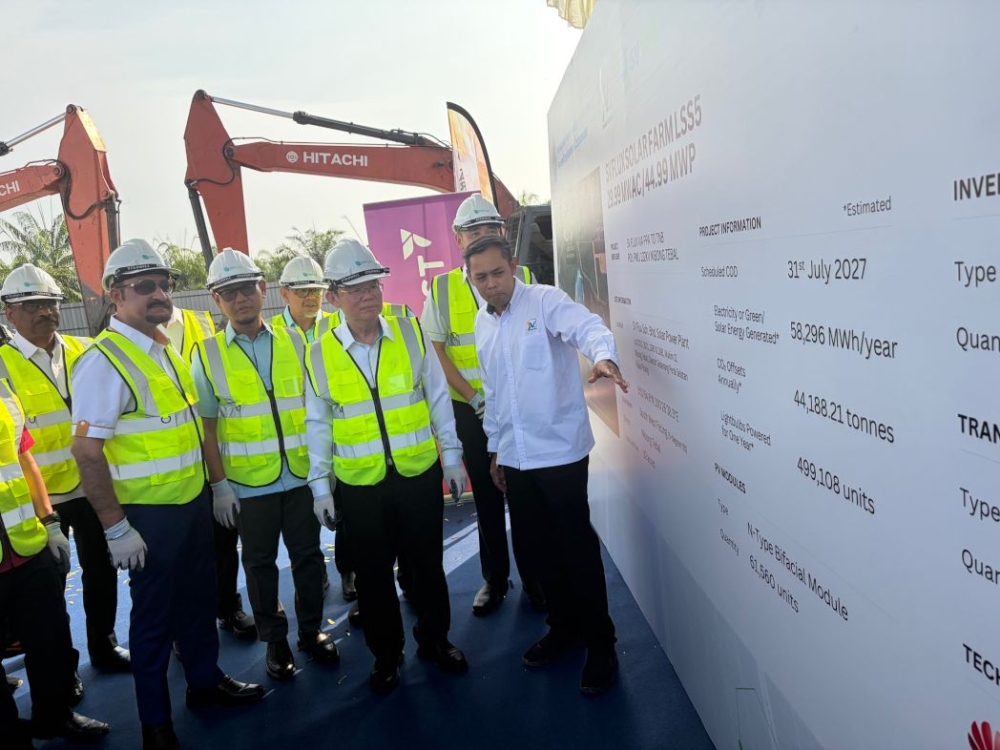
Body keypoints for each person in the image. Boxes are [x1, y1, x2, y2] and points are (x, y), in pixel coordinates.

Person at [71, 239, 264, 750]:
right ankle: (156, 723)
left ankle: (204, 684)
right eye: (144, 286)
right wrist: (115, 527)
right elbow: (87, 452)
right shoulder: (103, 361)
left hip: (192, 506)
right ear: (116, 295)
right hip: (148, 520)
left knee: (200, 604)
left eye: (164, 283)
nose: (159, 293)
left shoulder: (165, 351)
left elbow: (188, 430)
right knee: (154, 624)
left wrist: (215, 490)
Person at [465, 234, 628, 696]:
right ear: (470, 279)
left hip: (559, 454)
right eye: (482, 278)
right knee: (538, 553)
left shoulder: (545, 301)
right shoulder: (482, 324)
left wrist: (603, 356)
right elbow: (494, 393)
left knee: (577, 552)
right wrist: (496, 448)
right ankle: (564, 629)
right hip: (515, 458)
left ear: (512, 265)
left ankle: (602, 644)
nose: (492, 284)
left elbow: (589, 327)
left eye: (498, 273)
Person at [305, 239, 469, 695]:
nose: (368, 295)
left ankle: (435, 640)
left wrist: (451, 456)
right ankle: (387, 655)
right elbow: (317, 423)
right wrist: (320, 487)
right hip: (360, 486)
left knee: (428, 568)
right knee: (374, 577)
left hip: (418, 474)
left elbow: (437, 396)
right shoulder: (318, 352)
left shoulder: (410, 330)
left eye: (373, 284)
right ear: (334, 297)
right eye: (354, 288)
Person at [193, 249, 339, 682]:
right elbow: (208, 430)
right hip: (248, 485)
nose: (241, 299)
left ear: (263, 291)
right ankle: (275, 640)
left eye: (247, 289)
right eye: (229, 293)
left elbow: (317, 410)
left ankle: (311, 632)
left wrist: (321, 473)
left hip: (299, 477)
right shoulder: (206, 355)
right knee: (258, 566)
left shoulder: (297, 341)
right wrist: (218, 485)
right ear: (216, 301)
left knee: (309, 558)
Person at [0, 264, 131, 677]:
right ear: (10, 314)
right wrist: (46, 517)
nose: (44, 311)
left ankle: (104, 645)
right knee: (49, 590)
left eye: (50, 303)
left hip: (91, 487)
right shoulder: (3, 365)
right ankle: (64, 672)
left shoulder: (84, 350)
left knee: (101, 571)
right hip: (42, 501)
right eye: (32, 305)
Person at [422, 193, 543, 616]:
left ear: (502, 233)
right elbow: (436, 352)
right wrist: (475, 401)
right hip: (469, 411)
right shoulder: (440, 288)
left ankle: (536, 578)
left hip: (519, 409)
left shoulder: (523, 275)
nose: (481, 236)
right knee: (488, 496)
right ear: (458, 238)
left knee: (526, 493)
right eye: (473, 231)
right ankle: (495, 579)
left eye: (489, 229)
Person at [0, 377, 109, 748]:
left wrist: (49, 522)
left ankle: (56, 716)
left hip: (27, 545)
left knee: (50, 639)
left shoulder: (3, 391)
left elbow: (23, 457)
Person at [164, 302, 255, 641]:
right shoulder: (129, 338)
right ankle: (180, 627)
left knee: (224, 541)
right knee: (179, 553)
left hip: (213, 453)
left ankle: (227, 607)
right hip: (170, 461)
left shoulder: (199, 320)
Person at [271, 256, 332, 341]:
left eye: (317, 290)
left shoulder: (339, 326)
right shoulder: (268, 332)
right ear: (285, 294)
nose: (311, 297)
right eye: (303, 290)